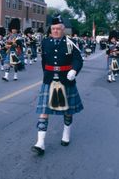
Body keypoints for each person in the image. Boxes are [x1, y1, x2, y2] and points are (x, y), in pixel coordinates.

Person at [31, 14, 84, 156]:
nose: (55, 31)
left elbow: (78, 60)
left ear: (63, 29)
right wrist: (46, 76)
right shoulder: (45, 42)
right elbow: (44, 62)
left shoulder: (70, 43)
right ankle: (40, 142)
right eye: (53, 28)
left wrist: (74, 70)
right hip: (49, 80)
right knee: (44, 111)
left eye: (58, 29)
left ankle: (66, 133)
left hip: (66, 80)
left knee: (67, 110)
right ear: (51, 30)